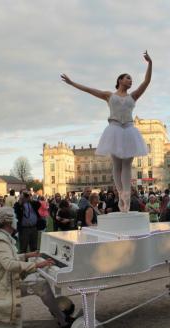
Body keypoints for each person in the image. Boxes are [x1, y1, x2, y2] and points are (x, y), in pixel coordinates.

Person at [61, 51, 152, 212]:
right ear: (120, 80)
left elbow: (146, 81)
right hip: (115, 129)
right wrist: (72, 83)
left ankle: (126, 195)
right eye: (128, 78)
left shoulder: (133, 96)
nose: (131, 81)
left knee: (127, 164)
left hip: (129, 129)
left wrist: (150, 63)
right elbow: (90, 90)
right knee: (117, 164)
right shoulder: (109, 96)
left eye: (131, 79)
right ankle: (121, 192)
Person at [0, 206, 74, 328]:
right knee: (42, 285)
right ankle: (63, 321)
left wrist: (27, 255)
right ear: (8, 222)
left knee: (40, 281)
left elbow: (7, 258)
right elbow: (9, 264)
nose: (16, 220)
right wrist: (37, 265)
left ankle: (59, 314)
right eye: (14, 217)